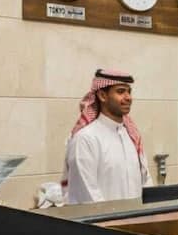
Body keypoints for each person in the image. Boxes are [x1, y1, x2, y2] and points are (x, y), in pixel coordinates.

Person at [62, 69, 152, 204]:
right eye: (121, 92)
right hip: (103, 217)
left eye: (129, 91)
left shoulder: (132, 136)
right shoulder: (85, 139)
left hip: (136, 216)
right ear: (102, 95)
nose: (128, 97)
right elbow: (88, 196)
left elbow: (146, 182)